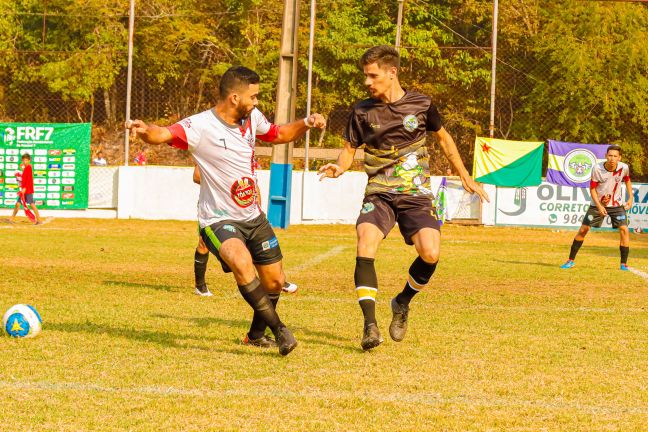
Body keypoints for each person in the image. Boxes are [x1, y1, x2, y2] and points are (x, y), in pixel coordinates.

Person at [127, 66, 325, 355]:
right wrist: (144, 132)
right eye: (253, 97)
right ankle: (281, 330)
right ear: (234, 97)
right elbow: (163, 134)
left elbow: (278, 134)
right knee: (241, 262)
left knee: (275, 281)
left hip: (253, 217)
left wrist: (307, 122)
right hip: (218, 218)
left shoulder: (251, 119)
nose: (257, 102)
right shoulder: (200, 126)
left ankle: (256, 335)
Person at [318, 45, 489, 351]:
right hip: (379, 191)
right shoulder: (361, 111)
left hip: (416, 193)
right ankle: (369, 326)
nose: (367, 82)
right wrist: (339, 168)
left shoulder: (421, 104)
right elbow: (348, 152)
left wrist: (465, 176)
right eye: (365, 76)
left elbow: (445, 140)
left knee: (430, 254)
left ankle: (402, 302)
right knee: (365, 242)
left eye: (373, 75)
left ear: (391, 72)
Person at [191, 163, 298, 298]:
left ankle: (274, 279)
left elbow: (252, 183)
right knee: (203, 243)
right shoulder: (209, 149)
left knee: (253, 241)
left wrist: (257, 206)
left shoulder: (243, 150)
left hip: (242, 210)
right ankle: (200, 286)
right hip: (216, 209)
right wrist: (225, 185)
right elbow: (196, 176)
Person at [560, 145, 633, 271]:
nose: (612, 158)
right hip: (597, 204)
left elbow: (627, 181)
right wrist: (599, 206)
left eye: (615, 156)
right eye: (610, 155)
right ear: (606, 156)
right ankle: (570, 260)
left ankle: (623, 264)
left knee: (624, 230)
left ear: (619, 158)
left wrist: (631, 198)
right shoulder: (597, 168)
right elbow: (592, 189)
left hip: (616, 205)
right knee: (583, 230)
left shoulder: (624, 167)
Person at [10, 154, 43, 225]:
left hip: (27, 190)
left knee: (32, 204)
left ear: (29, 160)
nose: (24, 162)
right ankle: (11, 219)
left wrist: (24, 188)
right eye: (23, 160)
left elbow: (29, 180)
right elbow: (24, 179)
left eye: (26, 160)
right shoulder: (25, 168)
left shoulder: (28, 167)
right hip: (24, 190)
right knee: (18, 204)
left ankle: (39, 220)